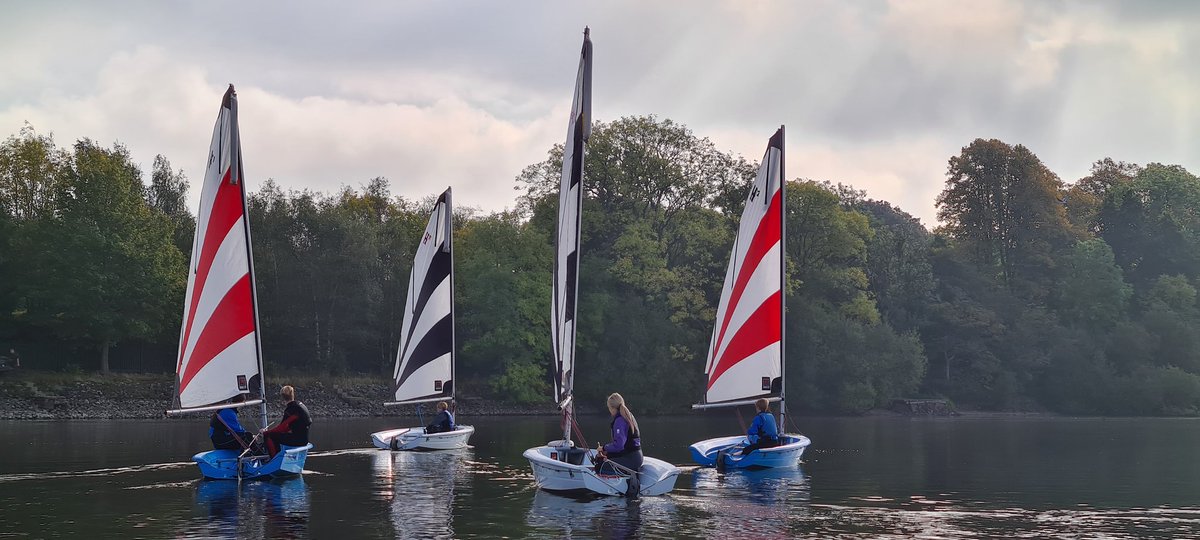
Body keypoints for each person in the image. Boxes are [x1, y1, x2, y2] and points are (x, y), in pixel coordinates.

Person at [596, 393, 643, 475]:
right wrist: (607, 451)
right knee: (601, 458)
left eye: (609, 408)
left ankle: (626, 476)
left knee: (600, 466)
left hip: (632, 458)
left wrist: (604, 448)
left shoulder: (620, 421)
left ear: (612, 408)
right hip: (636, 456)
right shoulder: (628, 416)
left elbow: (619, 446)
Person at [262, 385, 311, 458]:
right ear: (292, 394)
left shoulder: (290, 409)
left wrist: (265, 432)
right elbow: (287, 427)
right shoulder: (300, 405)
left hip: (298, 440)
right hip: (304, 439)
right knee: (276, 435)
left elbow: (281, 428)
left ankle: (274, 460)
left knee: (269, 436)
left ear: (282, 397)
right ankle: (279, 457)